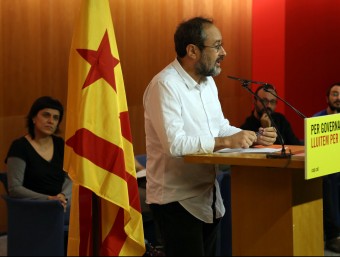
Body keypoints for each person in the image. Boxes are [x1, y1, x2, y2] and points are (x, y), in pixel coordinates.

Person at [143, 17, 277, 256]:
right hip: (176, 200)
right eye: (216, 46)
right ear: (192, 50)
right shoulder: (164, 85)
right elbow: (175, 144)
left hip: (208, 195)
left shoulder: (207, 84)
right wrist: (226, 142)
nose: (223, 52)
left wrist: (253, 136)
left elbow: (220, 128)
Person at [5, 96, 72, 214]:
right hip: (33, 207)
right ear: (33, 118)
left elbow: (70, 177)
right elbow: (15, 188)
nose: (51, 121)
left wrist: (62, 196)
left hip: (62, 205)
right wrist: (48, 199)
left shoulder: (60, 144)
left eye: (56, 118)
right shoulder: (19, 146)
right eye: (46, 115)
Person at [313, 82, 340, 253]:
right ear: (327, 98)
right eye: (335, 94)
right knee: (328, 179)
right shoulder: (317, 121)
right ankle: (333, 236)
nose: (339, 98)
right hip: (326, 169)